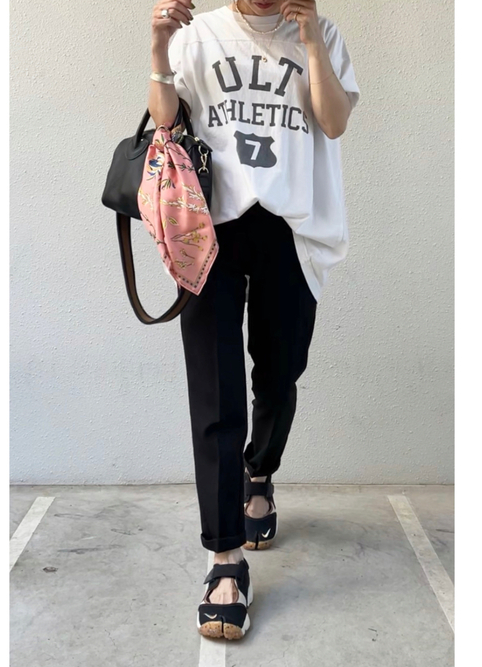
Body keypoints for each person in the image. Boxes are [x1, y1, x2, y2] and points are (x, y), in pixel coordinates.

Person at [148, 0, 360, 639]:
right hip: (209, 225)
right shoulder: (201, 34)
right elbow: (165, 121)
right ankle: (224, 559)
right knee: (215, 390)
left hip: (290, 230)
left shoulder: (322, 33)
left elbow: (333, 122)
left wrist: (311, 41)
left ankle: (259, 471)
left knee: (279, 371)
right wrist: (158, 48)